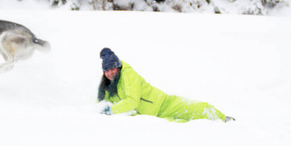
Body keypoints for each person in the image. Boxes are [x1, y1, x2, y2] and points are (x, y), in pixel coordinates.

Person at [97, 48, 235, 123]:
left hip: (162, 104)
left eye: (112, 69)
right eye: (106, 70)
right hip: (153, 117)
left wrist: (111, 111)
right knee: (189, 127)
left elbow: (132, 102)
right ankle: (217, 125)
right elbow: (104, 102)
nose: (110, 73)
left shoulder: (128, 74)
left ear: (118, 67)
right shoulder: (109, 84)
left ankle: (223, 118)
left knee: (196, 109)